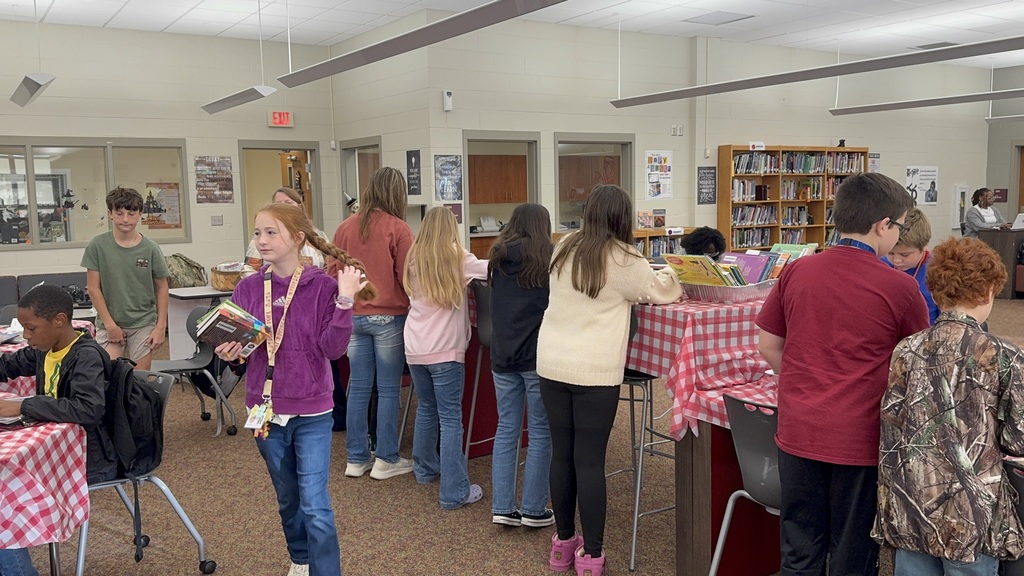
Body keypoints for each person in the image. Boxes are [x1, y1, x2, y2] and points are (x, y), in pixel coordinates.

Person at [756, 172, 930, 576]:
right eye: (900, 226)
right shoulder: (901, 288)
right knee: (853, 554)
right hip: (859, 439)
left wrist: (804, 381)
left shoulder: (798, 271)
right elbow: (918, 364)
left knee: (799, 550)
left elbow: (768, 346)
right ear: (883, 226)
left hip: (797, 431)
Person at [214, 202, 372, 576]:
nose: (262, 241)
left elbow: (332, 349)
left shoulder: (322, 286)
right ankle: (300, 557)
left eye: (271, 233)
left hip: (313, 412)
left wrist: (346, 301)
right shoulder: (249, 288)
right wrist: (231, 352)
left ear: (297, 238)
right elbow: (240, 357)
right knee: (288, 499)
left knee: (316, 503)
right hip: (264, 410)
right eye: (257, 233)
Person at [537, 185, 682, 576]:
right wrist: (673, 270)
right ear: (623, 217)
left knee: (561, 455)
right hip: (594, 372)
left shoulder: (564, 245)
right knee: (589, 463)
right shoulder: (625, 257)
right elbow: (661, 291)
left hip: (551, 364)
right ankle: (592, 557)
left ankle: (563, 545)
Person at [874, 236, 1024, 575]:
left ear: (938, 293)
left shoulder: (906, 349)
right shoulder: (1003, 354)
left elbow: (893, 420)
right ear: (989, 292)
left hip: (911, 501)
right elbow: (1018, 439)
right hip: (971, 511)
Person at [0, 285, 118, 576]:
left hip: (87, 456)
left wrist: (24, 405)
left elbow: (88, 410)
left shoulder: (86, 356)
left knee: (4, 491)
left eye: (31, 328)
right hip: (54, 447)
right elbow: (7, 365)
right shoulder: (45, 348)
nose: (26, 336)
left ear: (59, 320)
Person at [328, 167, 415, 479]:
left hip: (353, 317)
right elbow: (408, 277)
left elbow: (331, 271)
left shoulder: (344, 228)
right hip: (389, 317)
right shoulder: (399, 228)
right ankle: (387, 458)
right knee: (390, 389)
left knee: (360, 387)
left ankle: (356, 458)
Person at [403, 206, 488, 510]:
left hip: (414, 347)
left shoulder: (413, 256)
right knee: (451, 419)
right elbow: (491, 270)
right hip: (446, 350)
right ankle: (454, 492)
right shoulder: (456, 256)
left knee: (426, 408)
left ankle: (425, 469)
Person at [487, 204, 555, 528]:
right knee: (541, 432)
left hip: (502, 356)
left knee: (507, 429)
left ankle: (502, 506)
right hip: (536, 357)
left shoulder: (497, 258)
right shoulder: (548, 260)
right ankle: (533, 509)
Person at [82, 186, 170, 371]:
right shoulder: (97, 246)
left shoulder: (151, 249)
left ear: (140, 214)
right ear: (110, 213)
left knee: (139, 383)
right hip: (109, 322)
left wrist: (160, 326)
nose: (125, 219)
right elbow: (93, 288)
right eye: (119, 213)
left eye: (131, 213)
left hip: (143, 322)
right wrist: (110, 325)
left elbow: (162, 287)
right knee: (111, 379)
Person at [245, 187, 330, 270]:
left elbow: (330, 266)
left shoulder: (319, 235)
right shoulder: (262, 237)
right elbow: (249, 269)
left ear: (299, 207)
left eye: (288, 202)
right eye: (278, 203)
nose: (283, 207)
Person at [883, 207, 939, 324]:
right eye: (891, 253)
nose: (897, 260)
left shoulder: (937, 271)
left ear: (924, 246)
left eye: (905, 254)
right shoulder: (881, 265)